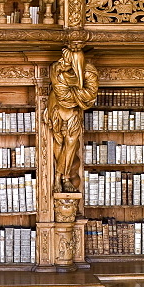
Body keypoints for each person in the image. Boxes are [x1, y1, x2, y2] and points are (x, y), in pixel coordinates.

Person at [45, 46, 98, 193]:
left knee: (71, 144)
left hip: (73, 113)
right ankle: (61, 177)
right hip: (56, 109)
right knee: (59, 142)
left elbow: (90, 96)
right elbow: (62, 94)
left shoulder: (89, 72)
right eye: (62, 58)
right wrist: (79, 90)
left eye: (66, 60)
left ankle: (62, 176)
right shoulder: (57, 69)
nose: (62, 62)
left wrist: (72, 90)